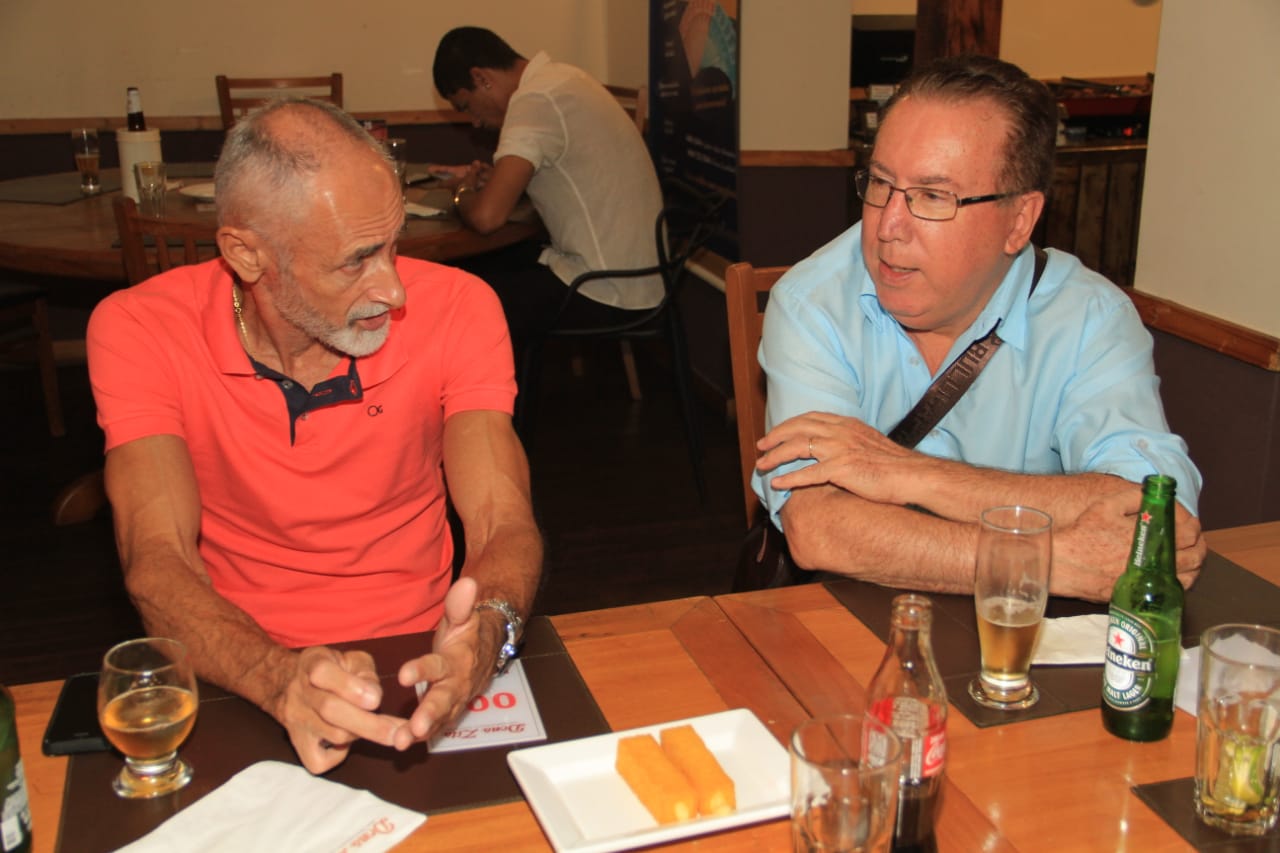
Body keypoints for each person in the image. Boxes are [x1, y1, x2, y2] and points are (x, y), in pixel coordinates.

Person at [86, 98, 543, 774]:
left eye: (392, 245)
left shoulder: (460, 307)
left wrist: (488, 633)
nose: (394, 289)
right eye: (357, 261)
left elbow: (504, 520)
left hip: (420, 655)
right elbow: (158, 560)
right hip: (236, 664)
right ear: (246, 254)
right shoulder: (140, 329)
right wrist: (277, 677)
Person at [752, 55, 1206, 603]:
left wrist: (908, 474)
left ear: (1019, 220)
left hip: (1031, 636)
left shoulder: (1090, 318)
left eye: (933, 196)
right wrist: (1045, 560)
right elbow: (818, 527)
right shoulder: (814, 301)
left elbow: (1157, 520)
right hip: (849, 617)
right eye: (880, 183)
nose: (888, 226)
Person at [427, 26, 665, 351]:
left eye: (467, 106)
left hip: (605, 291)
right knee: (485, 271)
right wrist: (496, 180)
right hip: (643, 277)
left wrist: (463, 192)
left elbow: (486, 218)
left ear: (481, 78)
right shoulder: (563, 78)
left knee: (460, 297)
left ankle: (499, 386)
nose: (475, 122)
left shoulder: (533, 100)